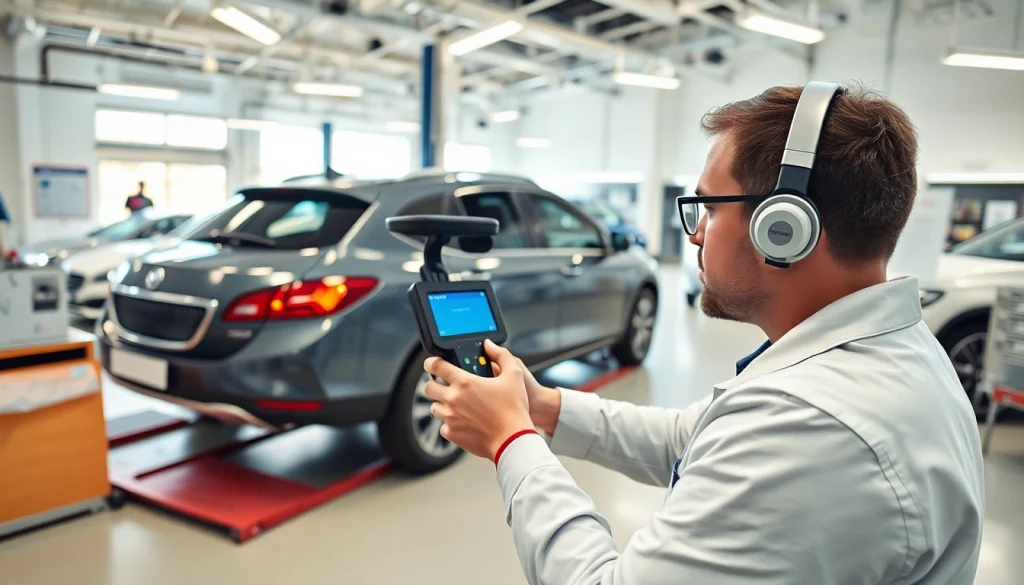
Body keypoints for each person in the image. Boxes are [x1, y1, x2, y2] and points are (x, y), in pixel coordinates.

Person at [422, 83, 985, 584]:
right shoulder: (885, 352)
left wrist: (511, 443)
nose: (694, 236)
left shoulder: (814, 429)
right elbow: (685, 439)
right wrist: (540, 406)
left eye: (708, 209)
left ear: (782, 227)